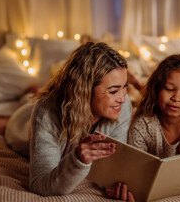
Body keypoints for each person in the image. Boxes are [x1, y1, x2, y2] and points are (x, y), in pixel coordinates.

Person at [29, 42, 135, 201]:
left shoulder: (122, 104)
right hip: (21, 125)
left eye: (125, 87)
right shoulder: (46, 113)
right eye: (113, 91)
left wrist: (110, 186)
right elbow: (40, 183)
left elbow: (112, 169)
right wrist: (77, 160)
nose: (122, 98)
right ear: (84, 90)